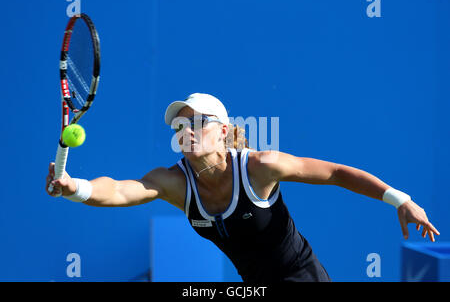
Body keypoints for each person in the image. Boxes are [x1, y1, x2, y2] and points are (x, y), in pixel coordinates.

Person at [46, 93, 440, 282]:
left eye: (198, 122)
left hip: (302, 277)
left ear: (224, 132)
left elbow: (336, 173)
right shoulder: (173, 182)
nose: (187, 131)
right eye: (180, 126)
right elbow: (117, 190)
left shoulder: (259, 167)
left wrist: (400, 200)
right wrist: (74, 186)